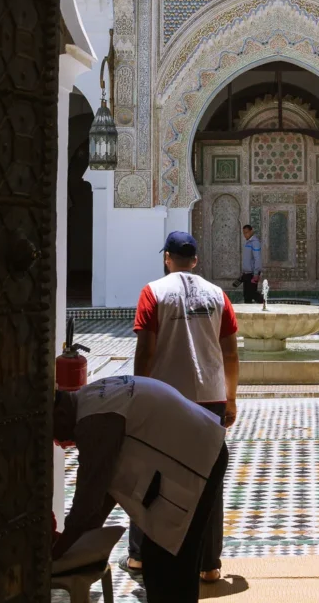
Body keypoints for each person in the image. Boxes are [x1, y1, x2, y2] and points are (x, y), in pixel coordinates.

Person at [53, 375, 228, 603]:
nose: (59, 441)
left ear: (60, 414)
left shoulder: (93, 422)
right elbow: (102, 491)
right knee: (165, 559)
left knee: (171, 564)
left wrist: (57, 553)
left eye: (55, 433)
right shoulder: (91, 396)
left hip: (200, 458)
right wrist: (82, 538)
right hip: (202, 445)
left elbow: (88, 502)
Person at [127, 230, 239, 584]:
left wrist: (138, 394)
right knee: (208, 479)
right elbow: (230, 352)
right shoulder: (217, 295)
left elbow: (146, 350)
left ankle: (140, 556)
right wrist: (231, 398)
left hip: (165, 398)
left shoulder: (153, 292)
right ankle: (209, 563)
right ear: (195, 260)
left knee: (150, 473)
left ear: (167, 258)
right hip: (210, 400)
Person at [240, 224, 262, 303]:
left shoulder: (255, 243)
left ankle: (264, 303)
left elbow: (257, 259)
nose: (245, 235)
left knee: (253, 294)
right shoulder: (247, 242)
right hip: (246, 274)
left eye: (247, 232)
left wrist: (256, 274)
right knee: (247, 296)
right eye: (244, 233)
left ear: (251, 231)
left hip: (252, 274)